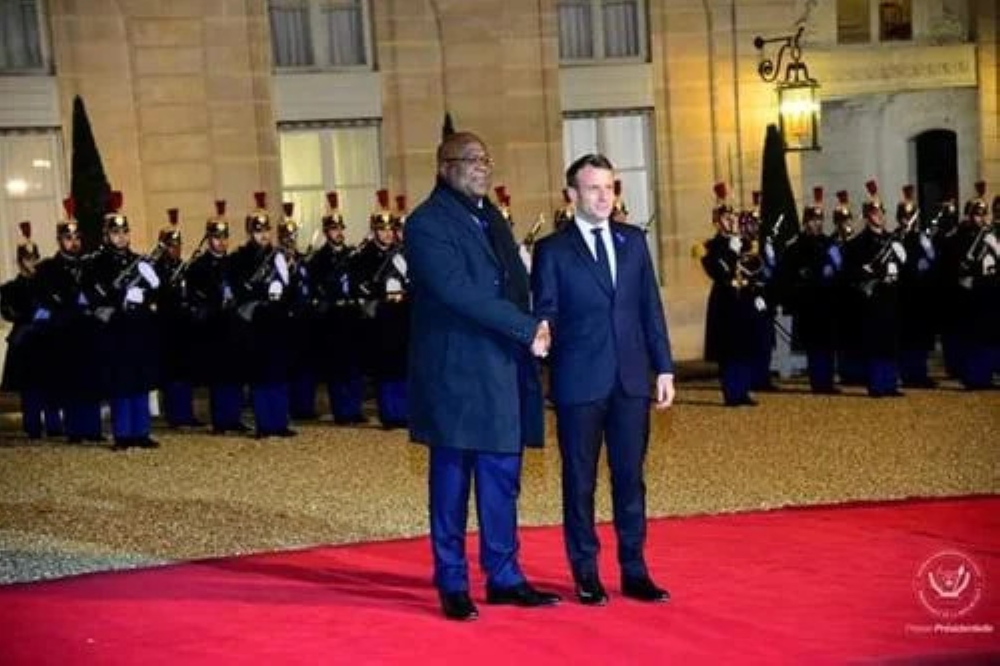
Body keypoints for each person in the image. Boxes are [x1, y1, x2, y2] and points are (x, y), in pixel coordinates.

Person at [405, 130, 559, 622]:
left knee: (501, 478)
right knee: (451, 481)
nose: (481, 167)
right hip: (455, 373)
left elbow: (513, 283)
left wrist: (539, 320)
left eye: (486, 159)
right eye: (470, 160)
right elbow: (455, 291)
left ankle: (504, 575)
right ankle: (451, 580)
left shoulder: (490, 216)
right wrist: (524, 326)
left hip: (501, 368)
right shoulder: (427, 223)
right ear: (443, 166)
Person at [532, 153, 674, 606]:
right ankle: (586, 572)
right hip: (579, 383)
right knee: (580, 482)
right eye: (593, 188)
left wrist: (665, 367)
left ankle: (634, 570)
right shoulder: (553, 250)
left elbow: (650, 309)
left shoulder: (633, 242)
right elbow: (546, 309)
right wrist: (541, 332)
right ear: (571, 195)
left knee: (630, 480)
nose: (603, 196)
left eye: (609, 187)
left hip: (632, 380)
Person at [306, 191, 367, 424]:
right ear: (326, 232)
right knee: (337, 367)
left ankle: (354, 408)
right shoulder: (319, 260)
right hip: (333, 317)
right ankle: (342, 411)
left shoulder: (353, 255)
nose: (338, 233)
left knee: (355, 366)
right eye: (333, 229)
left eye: (341, 229)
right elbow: (315, 288)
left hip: (352, 315)